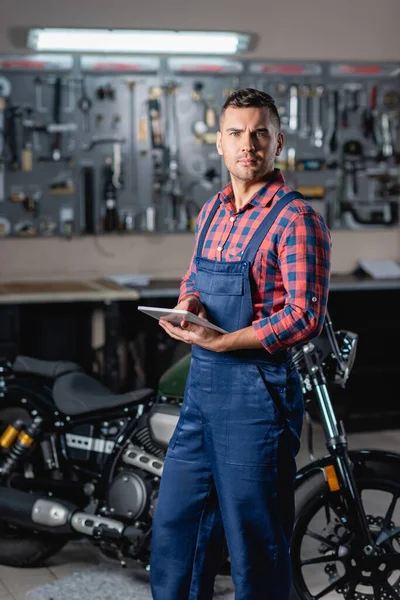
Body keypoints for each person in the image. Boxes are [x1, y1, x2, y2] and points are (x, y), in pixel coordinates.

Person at [150, 88, 331, 600]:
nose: (247, 144)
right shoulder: (211, 211)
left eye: (259, 133)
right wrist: (187, 309)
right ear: (219, 143)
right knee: (176, 533)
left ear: (278, 142)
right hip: (202, 394)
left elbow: (304, 316)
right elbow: (194, 279)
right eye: (236, 133)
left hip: (258, 397)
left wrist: (228, 340)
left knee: (254, 543)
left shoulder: (297, 219)